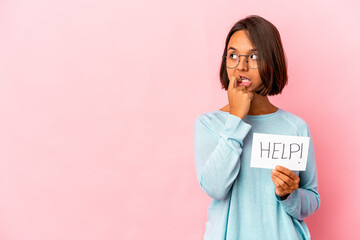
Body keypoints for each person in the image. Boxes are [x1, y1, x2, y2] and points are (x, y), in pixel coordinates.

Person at [193, 15, 320, 240]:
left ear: (271, 60)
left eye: (253, 57)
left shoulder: (296, 127)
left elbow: (311, 200)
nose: (241, 66)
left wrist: (288, 194)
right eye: (233, 55)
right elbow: (215, 188)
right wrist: (236, 118)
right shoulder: (209, 124)